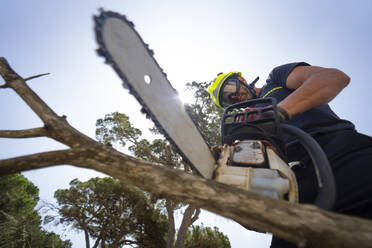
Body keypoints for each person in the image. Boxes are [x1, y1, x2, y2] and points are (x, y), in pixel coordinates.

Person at [207, 62, 372, 248]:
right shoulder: (247, 120)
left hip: (341, 150)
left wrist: (277, 112)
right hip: (291, 187)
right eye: (229, 100)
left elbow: (334, 78)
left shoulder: (275, 80)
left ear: (241, 79)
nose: (235, 96)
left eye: (230, 88)